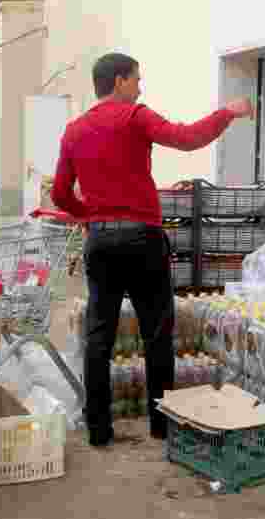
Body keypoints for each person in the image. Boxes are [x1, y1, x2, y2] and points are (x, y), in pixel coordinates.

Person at [51, 53, 254, 447]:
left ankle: (99, 430)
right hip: (143, 240)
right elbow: (187, 137)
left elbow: (60, 194)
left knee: (99, 338)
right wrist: (226, 113)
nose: (140, 86)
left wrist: (89, 216)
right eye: (137, 79)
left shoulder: (74, 130)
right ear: (119, 82)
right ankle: (162, 426)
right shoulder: (136, 117)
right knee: (157, 335)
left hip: (101, 242)